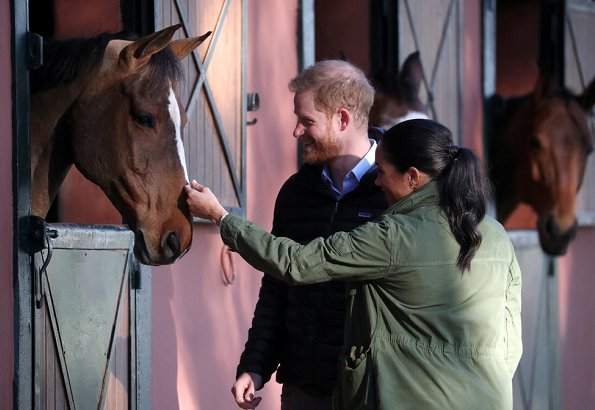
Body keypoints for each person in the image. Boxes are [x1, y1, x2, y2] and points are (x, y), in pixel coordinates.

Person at [185, 119, 523, 410]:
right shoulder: (495, 233)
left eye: (383, 172)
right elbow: (511, 340)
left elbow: (296, 263)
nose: (376, 182)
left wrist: (221, 217)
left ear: (413, 177)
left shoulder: (393, 236)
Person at [229, 60, 388, 409]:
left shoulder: (394, 193)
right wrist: (255, 366)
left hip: (370, 393)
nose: (296, 131)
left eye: (307, 120)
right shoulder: (296, 192)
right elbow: (276, 288)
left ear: (342, 119)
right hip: (302, 390)